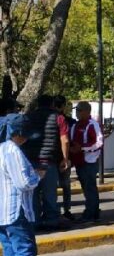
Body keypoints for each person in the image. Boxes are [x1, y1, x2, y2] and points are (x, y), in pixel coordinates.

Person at [0, 115, 40, 256]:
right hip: (15, 210)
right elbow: (23, 183)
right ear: (17, 134)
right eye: (24, 135)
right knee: (27, 252)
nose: (26, 139)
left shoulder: (2, 149)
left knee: (11, 255)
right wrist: (37, 176)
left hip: (2, 212)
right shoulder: (12, 151)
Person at [23, 95, 64, 230]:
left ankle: (35, 221)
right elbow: (65, 140)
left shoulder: (29, 117)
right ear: (52, 103)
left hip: (31, 161)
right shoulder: (58, 117)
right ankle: (51, 221)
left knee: (33, 193)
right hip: (49, 161)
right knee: (50, 193)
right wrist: (65, 158)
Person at [69, 100, 103, 222]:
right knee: (86, 188)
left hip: (90, 161)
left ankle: (91, 213)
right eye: (76, 111)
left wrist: (83, 148)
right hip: (78, 162)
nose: (77, 113)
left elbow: (99, 143)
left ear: (86, 111)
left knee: (90, 188)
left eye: (79, 111)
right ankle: (92, 211)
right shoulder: (75, 126)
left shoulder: (93, 124)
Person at [54, 96, 74, 219]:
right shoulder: (68, 121)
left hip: (52, 157)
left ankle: (54, 211)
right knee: (66, 185)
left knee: (51, 187)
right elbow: (67, 140)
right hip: (64, 157)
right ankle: (67, 210)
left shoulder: (50, 119)